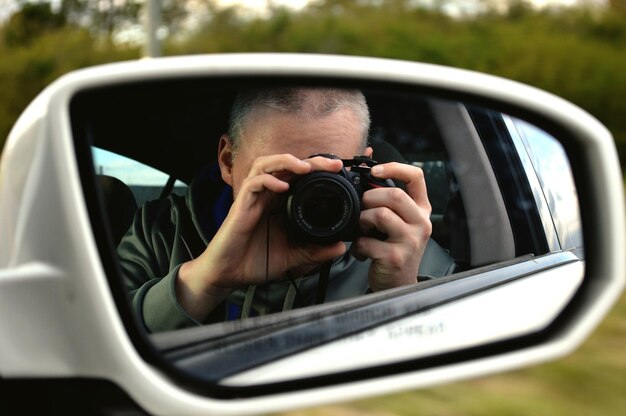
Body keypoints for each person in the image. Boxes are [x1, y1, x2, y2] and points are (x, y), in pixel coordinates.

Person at [119, 87, 448, 333]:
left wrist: (399, 292)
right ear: (227, 161)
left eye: (327, 175)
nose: (302, 195)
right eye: (277, 173)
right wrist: (207, 278)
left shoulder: (403, 253)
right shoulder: (161, 232)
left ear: (363, 165)